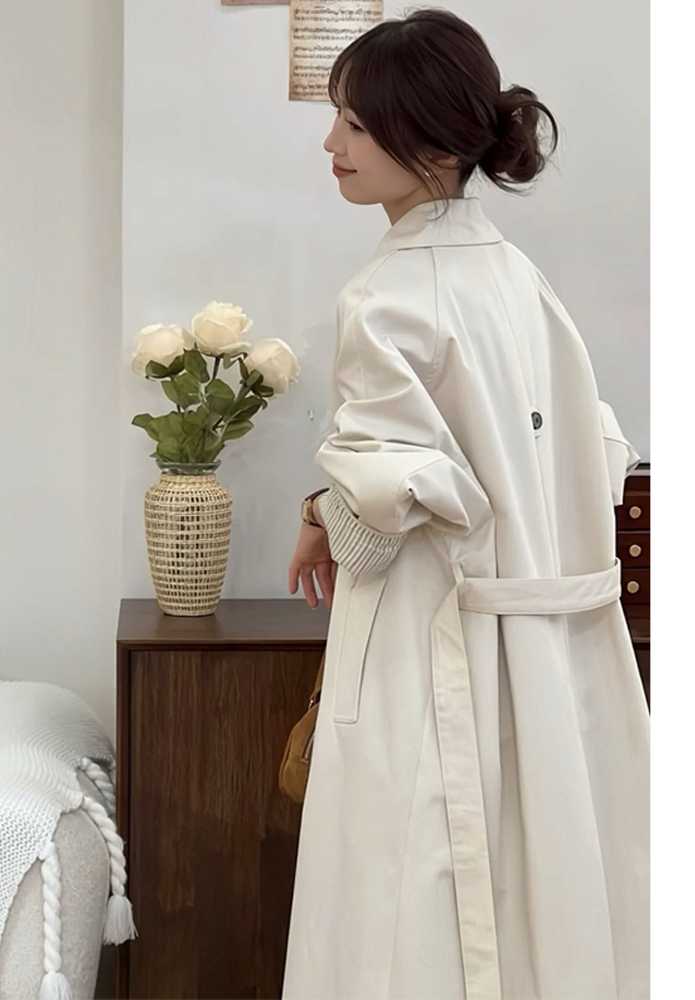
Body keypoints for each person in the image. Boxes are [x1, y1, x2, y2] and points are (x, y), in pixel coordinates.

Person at [285, 8, 649, 1000]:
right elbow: (577, 456)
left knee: (418, 909)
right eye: (337, 118)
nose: (332, 143)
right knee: (544, 903)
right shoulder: (520, 278)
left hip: (437, 647)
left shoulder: (385, 295)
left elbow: (381, 526)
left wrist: (322, 513)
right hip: (554, 655)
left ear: (437, 144)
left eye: (356, 124)